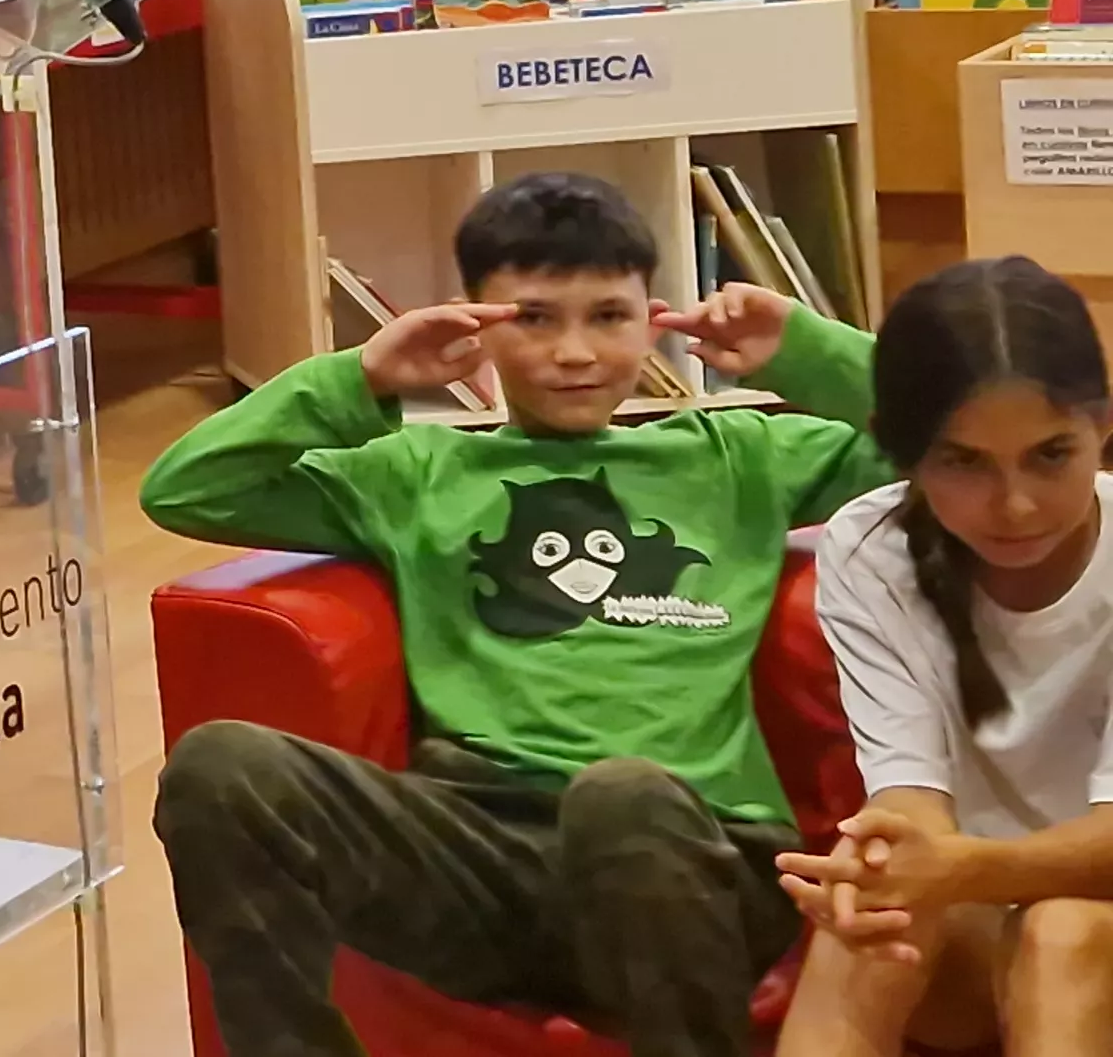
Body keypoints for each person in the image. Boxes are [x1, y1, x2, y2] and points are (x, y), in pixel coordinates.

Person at [143, 170, 892, 1057]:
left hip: (698, 859)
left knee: (622, 796)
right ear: (476, 326)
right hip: (489, 853)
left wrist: (803, 347)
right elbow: (186, 488)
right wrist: (362, 375)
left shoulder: (736, 453)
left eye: (608, 316)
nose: (575, 352)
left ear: (653, 316)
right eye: (535, 319)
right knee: (220, 766)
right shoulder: (416, 471)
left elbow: (940, 435)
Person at [779, 258, 1113, 1054]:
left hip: (1084, 922)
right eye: (964, 462)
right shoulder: (870, 547)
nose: (1017, 504)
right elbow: (909, 793)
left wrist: (952, 868)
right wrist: (883, 868)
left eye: (1050, 455)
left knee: (1064, 936)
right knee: (873, 922)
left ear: (1101, 427)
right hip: (979, 910)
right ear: (906, 456)